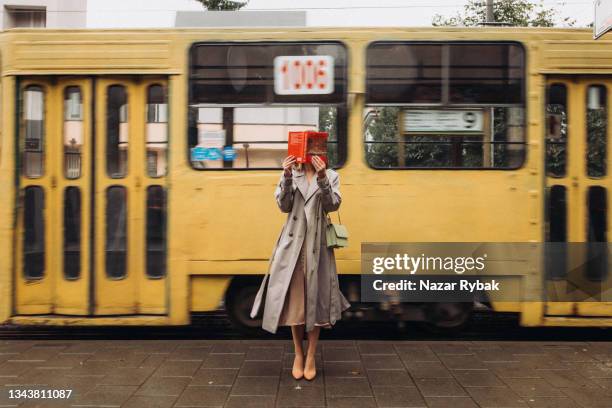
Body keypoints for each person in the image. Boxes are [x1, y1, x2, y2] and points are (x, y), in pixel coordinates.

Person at [250, 154, 350, 380]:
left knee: (316, 302)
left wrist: (323, 177)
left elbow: (332, 205)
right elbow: (283, 207)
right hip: (293, 247)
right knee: (296, 304)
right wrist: (286, 176)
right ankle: (298, 353)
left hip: (318, 246)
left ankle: (311, 355)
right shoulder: (290, 174)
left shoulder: (331, 175)